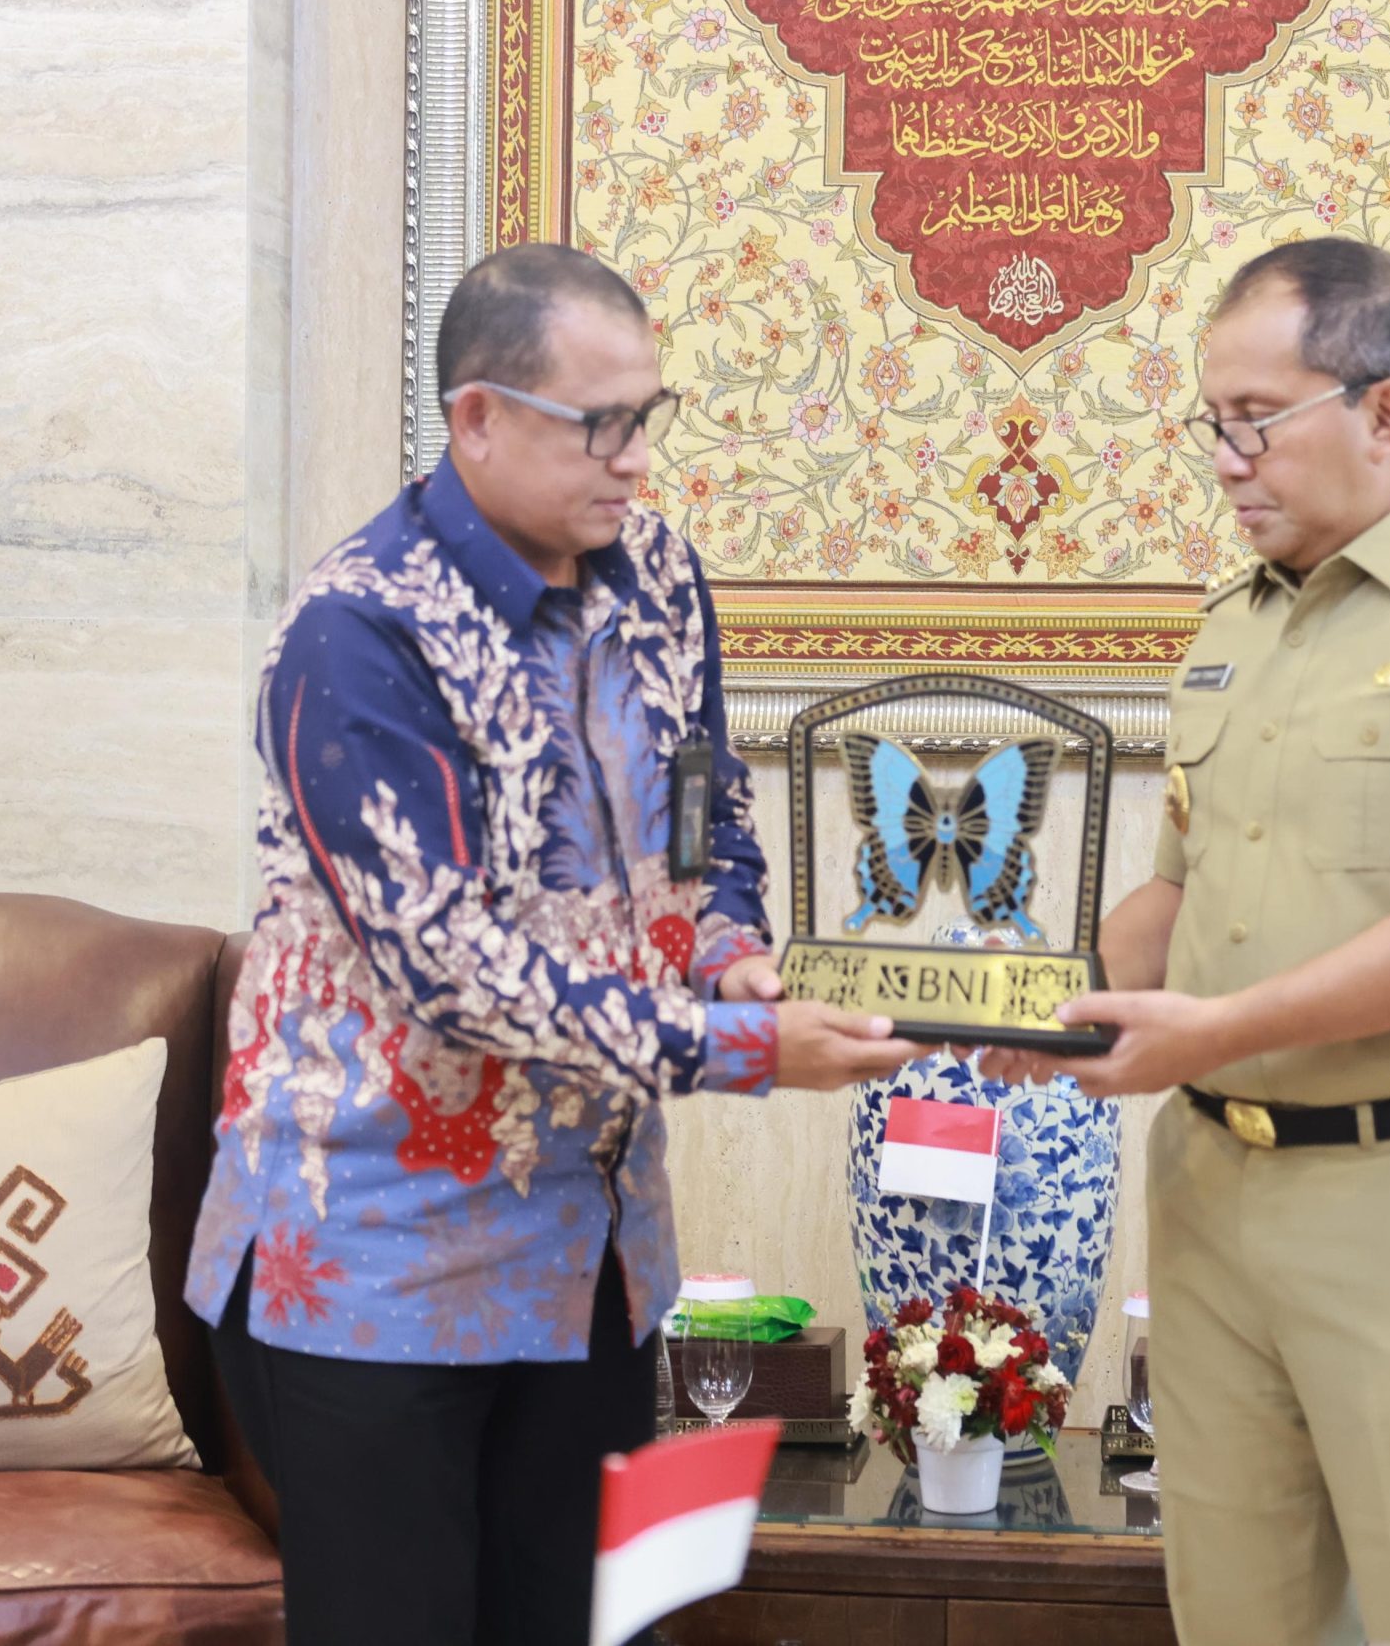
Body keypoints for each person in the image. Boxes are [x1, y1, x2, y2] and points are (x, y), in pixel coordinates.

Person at [185, 244, 913, 1646]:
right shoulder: (356, 635)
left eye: (649, 416)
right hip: (380, 1260)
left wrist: (732, 949)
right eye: (602, 424)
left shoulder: (659, 578)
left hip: (592, 1254)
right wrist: (745, 1047)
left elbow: (708, 811)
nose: (636, 460)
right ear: (478, 418)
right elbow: (453, 972)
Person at [995, 237, 1390, 1645]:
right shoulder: (1236, 625)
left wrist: (1217, 1029)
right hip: (1215, 1201)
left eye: (1256, 421)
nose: (1226, 462)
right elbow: (1177, 901)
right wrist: (1033, 1002)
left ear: (1385, 411)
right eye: (1212, 423)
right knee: (1240, 1623)